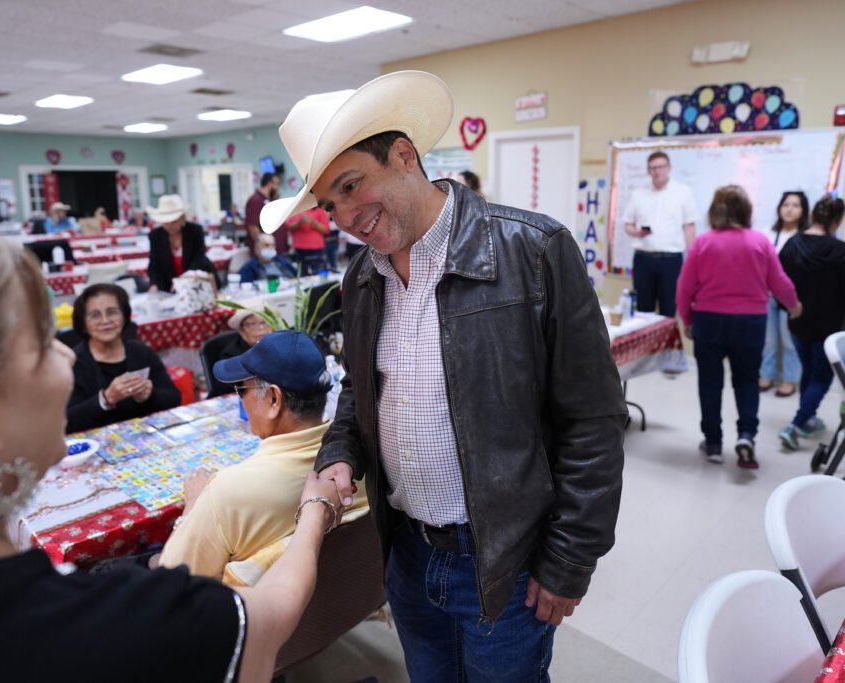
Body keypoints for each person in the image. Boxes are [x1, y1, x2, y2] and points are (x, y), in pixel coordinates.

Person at [0, 206, 344, 682]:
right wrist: (315, 513)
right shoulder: (128, 630)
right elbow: (273, 614)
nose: (69, 358)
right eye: (41, 344)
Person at [260, 70, 626, 681]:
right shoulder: (361, 279)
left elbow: (593, 419)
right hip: (405, 555)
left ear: (405, 156)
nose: (346, 216)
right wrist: (339, 453)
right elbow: (359, 389)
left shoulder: (534, 252)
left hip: (505, 565)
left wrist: (568, 562)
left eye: (352, 185)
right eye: (328, 205)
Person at [159, 331, 368, 580]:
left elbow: (169, 582)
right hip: (345, 595)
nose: (242, 400)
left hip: (257, 614)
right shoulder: (356, 460)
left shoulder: (227, 492)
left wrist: (191, 508)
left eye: (241, 390)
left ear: (273, 398)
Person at [675, 185, 801, 469]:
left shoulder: (703, 243)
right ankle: (746, 436)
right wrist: (794, 306)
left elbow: (684, 288)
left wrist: (687, 319)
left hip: (708, 320)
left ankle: (713, 442)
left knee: (709, 382)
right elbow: (780, 282)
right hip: (751, 322)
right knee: (747, 381)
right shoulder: (760, 242)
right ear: (746, 210)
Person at [777, 194, 845, 451]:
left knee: (809, 370)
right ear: (836, 221)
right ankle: (795, 425)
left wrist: (789, 308)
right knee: (821, 377)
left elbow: (779, 283)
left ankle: (807, 417)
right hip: (828, 328)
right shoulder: (839, 252)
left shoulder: (792, 245)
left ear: (813, 216)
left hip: (797, 322)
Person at [65, 283, 181, 433]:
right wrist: (106, 399)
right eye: (95, 315)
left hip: (144, 438)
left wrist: (149, 395)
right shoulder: (73, 364)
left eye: (112, 312)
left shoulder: (142, 353)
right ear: (83, 324)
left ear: (124, 316)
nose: (105, 321)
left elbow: (174, 398)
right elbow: (65, 422)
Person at [622, 151, 699, 316]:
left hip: (671, 260)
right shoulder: (638, 194)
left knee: (669, 309)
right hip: (644, 258)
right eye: (653, 168)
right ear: (648, 171)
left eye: (661, 167)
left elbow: (689, 227)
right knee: (643, 309)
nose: (657, 171)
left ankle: (666, 342)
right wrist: (637, 232)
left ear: (669, 168)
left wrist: (692, 259)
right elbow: (627, 224)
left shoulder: (683, 192)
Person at [760, 191, 809, 397]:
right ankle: (766, 375)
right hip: (766, 295)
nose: (789, 209)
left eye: (795, 205)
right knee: (768, 339)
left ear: (803, 210)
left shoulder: (806, 237)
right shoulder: (767, 233)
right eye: (786, 204)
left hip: (791, 298)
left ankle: (790, 379)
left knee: (789, 340)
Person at [145, 194, 216, 293]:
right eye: (165, 222)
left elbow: (199, 258)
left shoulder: (195, 231)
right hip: (168, 287)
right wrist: (154, 284)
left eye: (173, 221)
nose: (169, 226)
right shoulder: (156, 236)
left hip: (196, 284)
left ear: (182, 219)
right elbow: (154, 264)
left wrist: (186, 278)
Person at [208, 309, 275, 398]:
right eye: (252, 324)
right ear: (242, 330)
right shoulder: (231, 354)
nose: (260, 328)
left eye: (263, 322)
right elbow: (231, 389)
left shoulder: (277, 347)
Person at [245, 172, 288, 255]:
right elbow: (253, 227)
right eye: (277, 184)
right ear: (269, 183)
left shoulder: (269, 200)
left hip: (277, 250)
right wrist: (263, 249)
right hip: (266, 253)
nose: (278, 188)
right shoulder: (256, 200)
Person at [286, 205, 330, 275]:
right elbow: (289, 228)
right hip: (300, 250)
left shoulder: (319, 211)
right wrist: (300, 222)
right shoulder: (295, 210)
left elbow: (326, 230)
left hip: (316, 249)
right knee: (302, 274)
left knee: (319, 273)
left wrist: (313, 222)